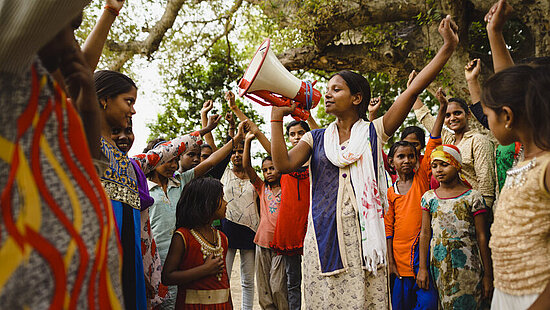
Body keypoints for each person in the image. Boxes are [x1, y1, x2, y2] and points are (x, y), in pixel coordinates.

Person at [270, 16, 459, 309]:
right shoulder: (316, 138)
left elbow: (412, 91)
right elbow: (282, 165)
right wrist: (275, 117)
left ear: (357, 97)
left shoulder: (375, 131)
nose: (328, 94)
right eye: (328, 89)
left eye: (337, 89)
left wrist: (447, 49)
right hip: (323, 237)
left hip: (364, 240)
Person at [0, 1, 124, 307]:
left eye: (75, 27)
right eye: (66, 25)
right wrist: (109, 11)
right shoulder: (10, 78)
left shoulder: (51, 98)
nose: (72, 42)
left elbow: (87, 172)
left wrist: (89, 112)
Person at [480, 28, 550, 310]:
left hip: (536, 296)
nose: (488, 124)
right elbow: (515, 88)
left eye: (487, 117)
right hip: (506, 291)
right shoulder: (524, 155)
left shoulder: (545, 165)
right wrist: (494, 33)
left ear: (507, 116)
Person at [385, 88, 447, 310]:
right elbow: (388, 228)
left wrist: (442, 110)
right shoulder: (390, 191)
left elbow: (432, 141)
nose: (407, 160)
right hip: (398, 260)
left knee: (427, 304)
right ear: (391, 162)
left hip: (422, 255)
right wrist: (390, 262)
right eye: (401, 156)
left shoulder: (421, 177)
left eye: (411, 156)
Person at [417, 144, 493, 309]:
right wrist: (422, 268)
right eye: (434, 166)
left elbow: (482, 236)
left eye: (445, 164)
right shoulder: (429, 198)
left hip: (469, 266)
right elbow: (424, 234)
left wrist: (488, 274)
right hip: (440, 266)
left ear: (457, 165)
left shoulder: (473, 197)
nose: (439, 170)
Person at [111, 120, 169, 308]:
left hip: (139, 255)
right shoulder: (98, 171)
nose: (123, 137)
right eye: (115, 131)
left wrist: (204, 130)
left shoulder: (133, 167)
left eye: (128, 131)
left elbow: (168, 150)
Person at [412, 85, 496, 208]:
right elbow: (425, 118)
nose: (452, 118)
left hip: (475, 209)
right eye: (447, 115)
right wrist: (413, 89)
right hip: (451, 208)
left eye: (457, 113)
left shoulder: (478, 141)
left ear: (468, 115)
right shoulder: (447, 140)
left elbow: (486, 188)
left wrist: (482, 216)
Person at [161, 177, 232, 309]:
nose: (226, 203)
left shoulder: (222, 238)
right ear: (207, 202)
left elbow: (224, 280)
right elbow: (168, 277)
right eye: (221, 198)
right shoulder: (183, 237)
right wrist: (204, 270)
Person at [271, 120, 314, 310]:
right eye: (292, 134)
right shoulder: (282, 162)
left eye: (301, 133)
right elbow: (268, 143)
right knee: (292, 280)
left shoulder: (317, 160)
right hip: (289, 229)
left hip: (312, 227)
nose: (296, 137)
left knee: (315, 279)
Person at [243, 132, 288, 310]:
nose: (268, 172)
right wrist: (247, 142)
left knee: (278, 287)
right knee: (264, 290)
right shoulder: (262, 188)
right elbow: (247, 167)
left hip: (280, 245)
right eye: (265, 170)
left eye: (272, 168)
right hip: (262, 243)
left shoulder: (287, 185)